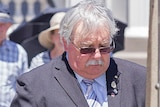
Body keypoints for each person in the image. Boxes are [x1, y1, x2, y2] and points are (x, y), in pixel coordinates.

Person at [10, 0, 146, 107]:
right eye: (87, 48)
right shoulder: (34, 86)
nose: (97, 56)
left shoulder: (140, 80)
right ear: (66, 43)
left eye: (104, 47)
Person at [0, 4, 28, 107]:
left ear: (9, 25)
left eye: (2, 24)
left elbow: (24, 86)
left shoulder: (19, 52)